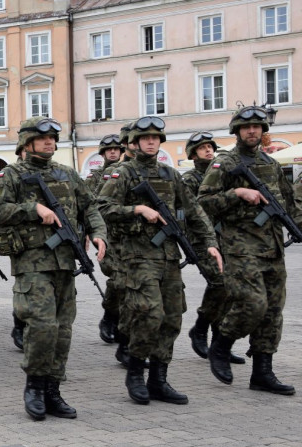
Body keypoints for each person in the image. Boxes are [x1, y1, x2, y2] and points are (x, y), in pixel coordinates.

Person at [0, 117, 107, 420]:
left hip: (65, 262)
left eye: (53, 138)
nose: (50, 142)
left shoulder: (66, 173)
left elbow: (89, 205)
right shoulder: (11, 175)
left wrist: (97, 232)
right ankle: (34, 387)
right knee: (41, 326)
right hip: (32, 263)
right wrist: (33, 209)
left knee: (63, 329)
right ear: (27, 143)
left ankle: (53, 390)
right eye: (42, 139)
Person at [97, 117, 221, 405]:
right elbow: (102, 207)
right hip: (136, 257)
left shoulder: (169, 174)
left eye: (156, 138)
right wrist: (137, 209)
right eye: (146, 138)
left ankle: (159, 379)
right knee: (148, 314)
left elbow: (195, 211)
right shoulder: (122, 173)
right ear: (135, 143)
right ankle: (136, 373)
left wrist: (211, 244)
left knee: (172, 317)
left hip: (168, 257)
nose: (151, 141)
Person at [198, 106, 298, 395]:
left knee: (273, 312)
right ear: (237, 131)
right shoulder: (225, 164)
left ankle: (262, 373)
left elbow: (288, 203)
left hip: (273, 248)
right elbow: (202, 201)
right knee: (253, 304)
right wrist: (237, 193)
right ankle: (222, 343)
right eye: (246, 127)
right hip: (241, 248)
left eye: (257, 127)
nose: (252, 131)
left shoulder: (271, 163)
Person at [182, 132, 244, 366]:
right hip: (201, 241)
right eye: (202, 148)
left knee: (230, 288)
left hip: (228, 239)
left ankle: (219, 343)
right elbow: (192, 211)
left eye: (210, 147)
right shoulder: (190, 179)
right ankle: (200, 327)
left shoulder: (224, 174)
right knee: (219, 283)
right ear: (193, 153)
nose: (208, 150)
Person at [84, 134, 124, 345]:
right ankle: (109, 316)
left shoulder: (127, 172)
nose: (113, 152)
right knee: (117, 279)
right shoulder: (94, 178)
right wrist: (88, 234)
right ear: (102, 153)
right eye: (109, 150)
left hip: (128, 236)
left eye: (117, 149)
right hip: (107, 236)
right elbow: (86, 207)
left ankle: (122, 324)